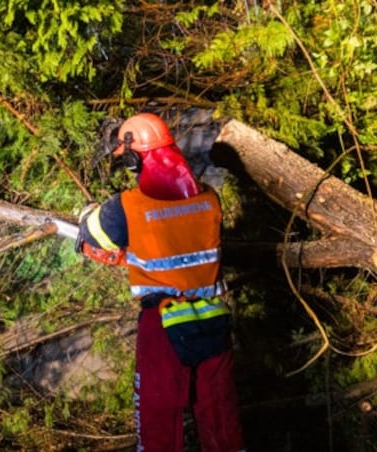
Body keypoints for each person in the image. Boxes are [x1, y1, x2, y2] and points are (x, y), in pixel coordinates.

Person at [76, 113, 245, 451]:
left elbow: (90, 237)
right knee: (220, 419)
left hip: (164, 324)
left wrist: (87, 215)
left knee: (158, 424)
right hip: (214, 320)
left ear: (133, 158)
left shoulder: (126, 207)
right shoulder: (209, 198)